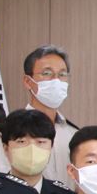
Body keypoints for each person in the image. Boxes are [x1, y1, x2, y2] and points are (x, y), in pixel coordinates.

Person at [19, 45, 78, 185]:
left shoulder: (74, 134)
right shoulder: (13, 131)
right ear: (28, 81)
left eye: (62, 75)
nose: (56, 80)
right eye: (47, 73)